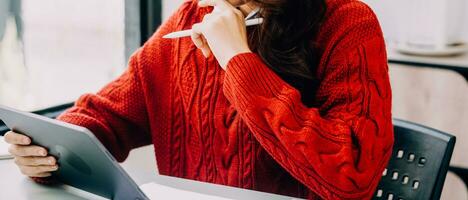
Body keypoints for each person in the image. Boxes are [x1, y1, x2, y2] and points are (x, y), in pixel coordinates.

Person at [4, 0, 394, 199]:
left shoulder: (348, 23)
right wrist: (48, 148)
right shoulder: (190, 18)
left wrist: (237, 60)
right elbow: (108, 115)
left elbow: (350, 179)